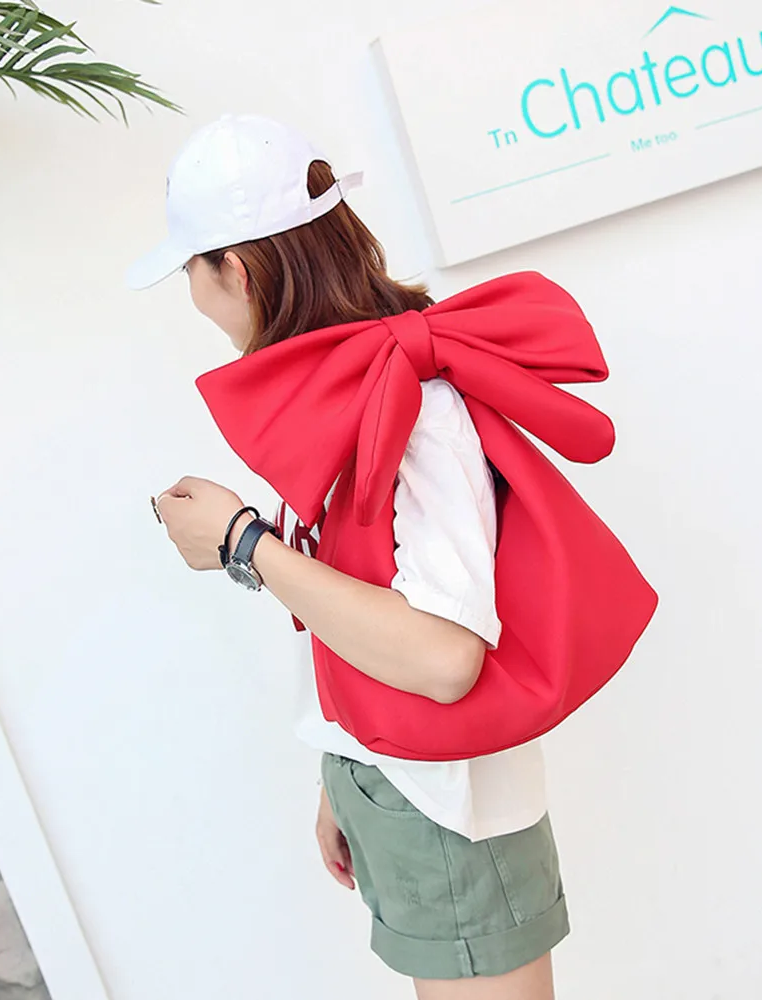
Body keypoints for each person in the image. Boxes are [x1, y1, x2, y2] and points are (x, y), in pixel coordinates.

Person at [130, 114, 571, 1000]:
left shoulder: (414, 400)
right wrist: (343, 765)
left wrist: (241, 541)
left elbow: (445, 658)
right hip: (396, 782)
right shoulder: (340, 390)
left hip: (452, 812)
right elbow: (359, 597)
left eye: (190, 270)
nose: (195, 295)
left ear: (236, 270)